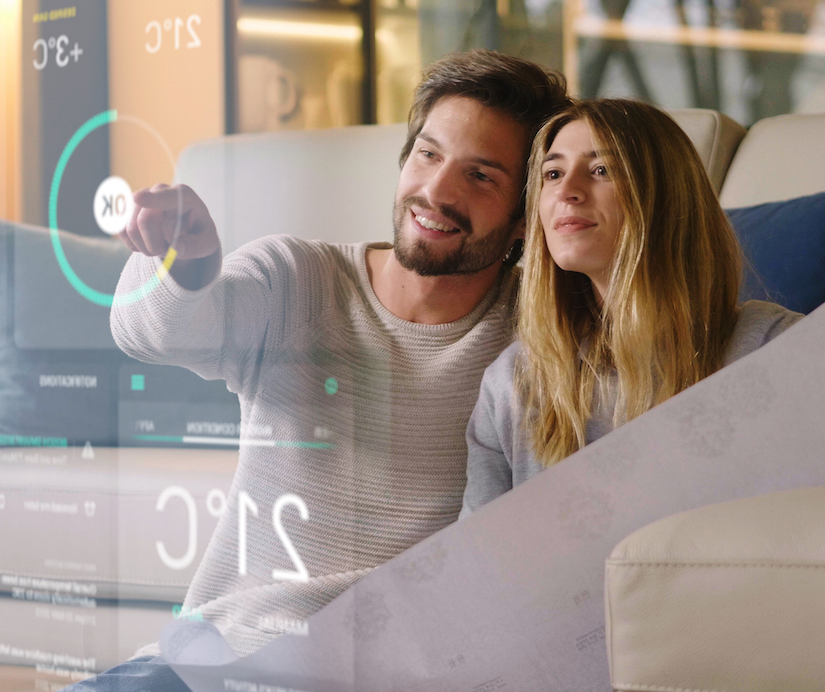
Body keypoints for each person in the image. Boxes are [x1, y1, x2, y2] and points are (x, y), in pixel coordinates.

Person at [61, 51, 569, 691]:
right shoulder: (299, 280)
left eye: (481, 177)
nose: (438, 191)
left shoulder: (539, 335)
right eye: (428, 155)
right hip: (220, 661)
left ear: (525, 221)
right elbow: (148, 330)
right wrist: (186, 259)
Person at [461, 99, 803, 515]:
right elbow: (481, 567)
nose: (567, 190)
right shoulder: (512, 382)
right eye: (552, 173)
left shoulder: (775, 347)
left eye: (601, 170)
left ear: (666, 196)